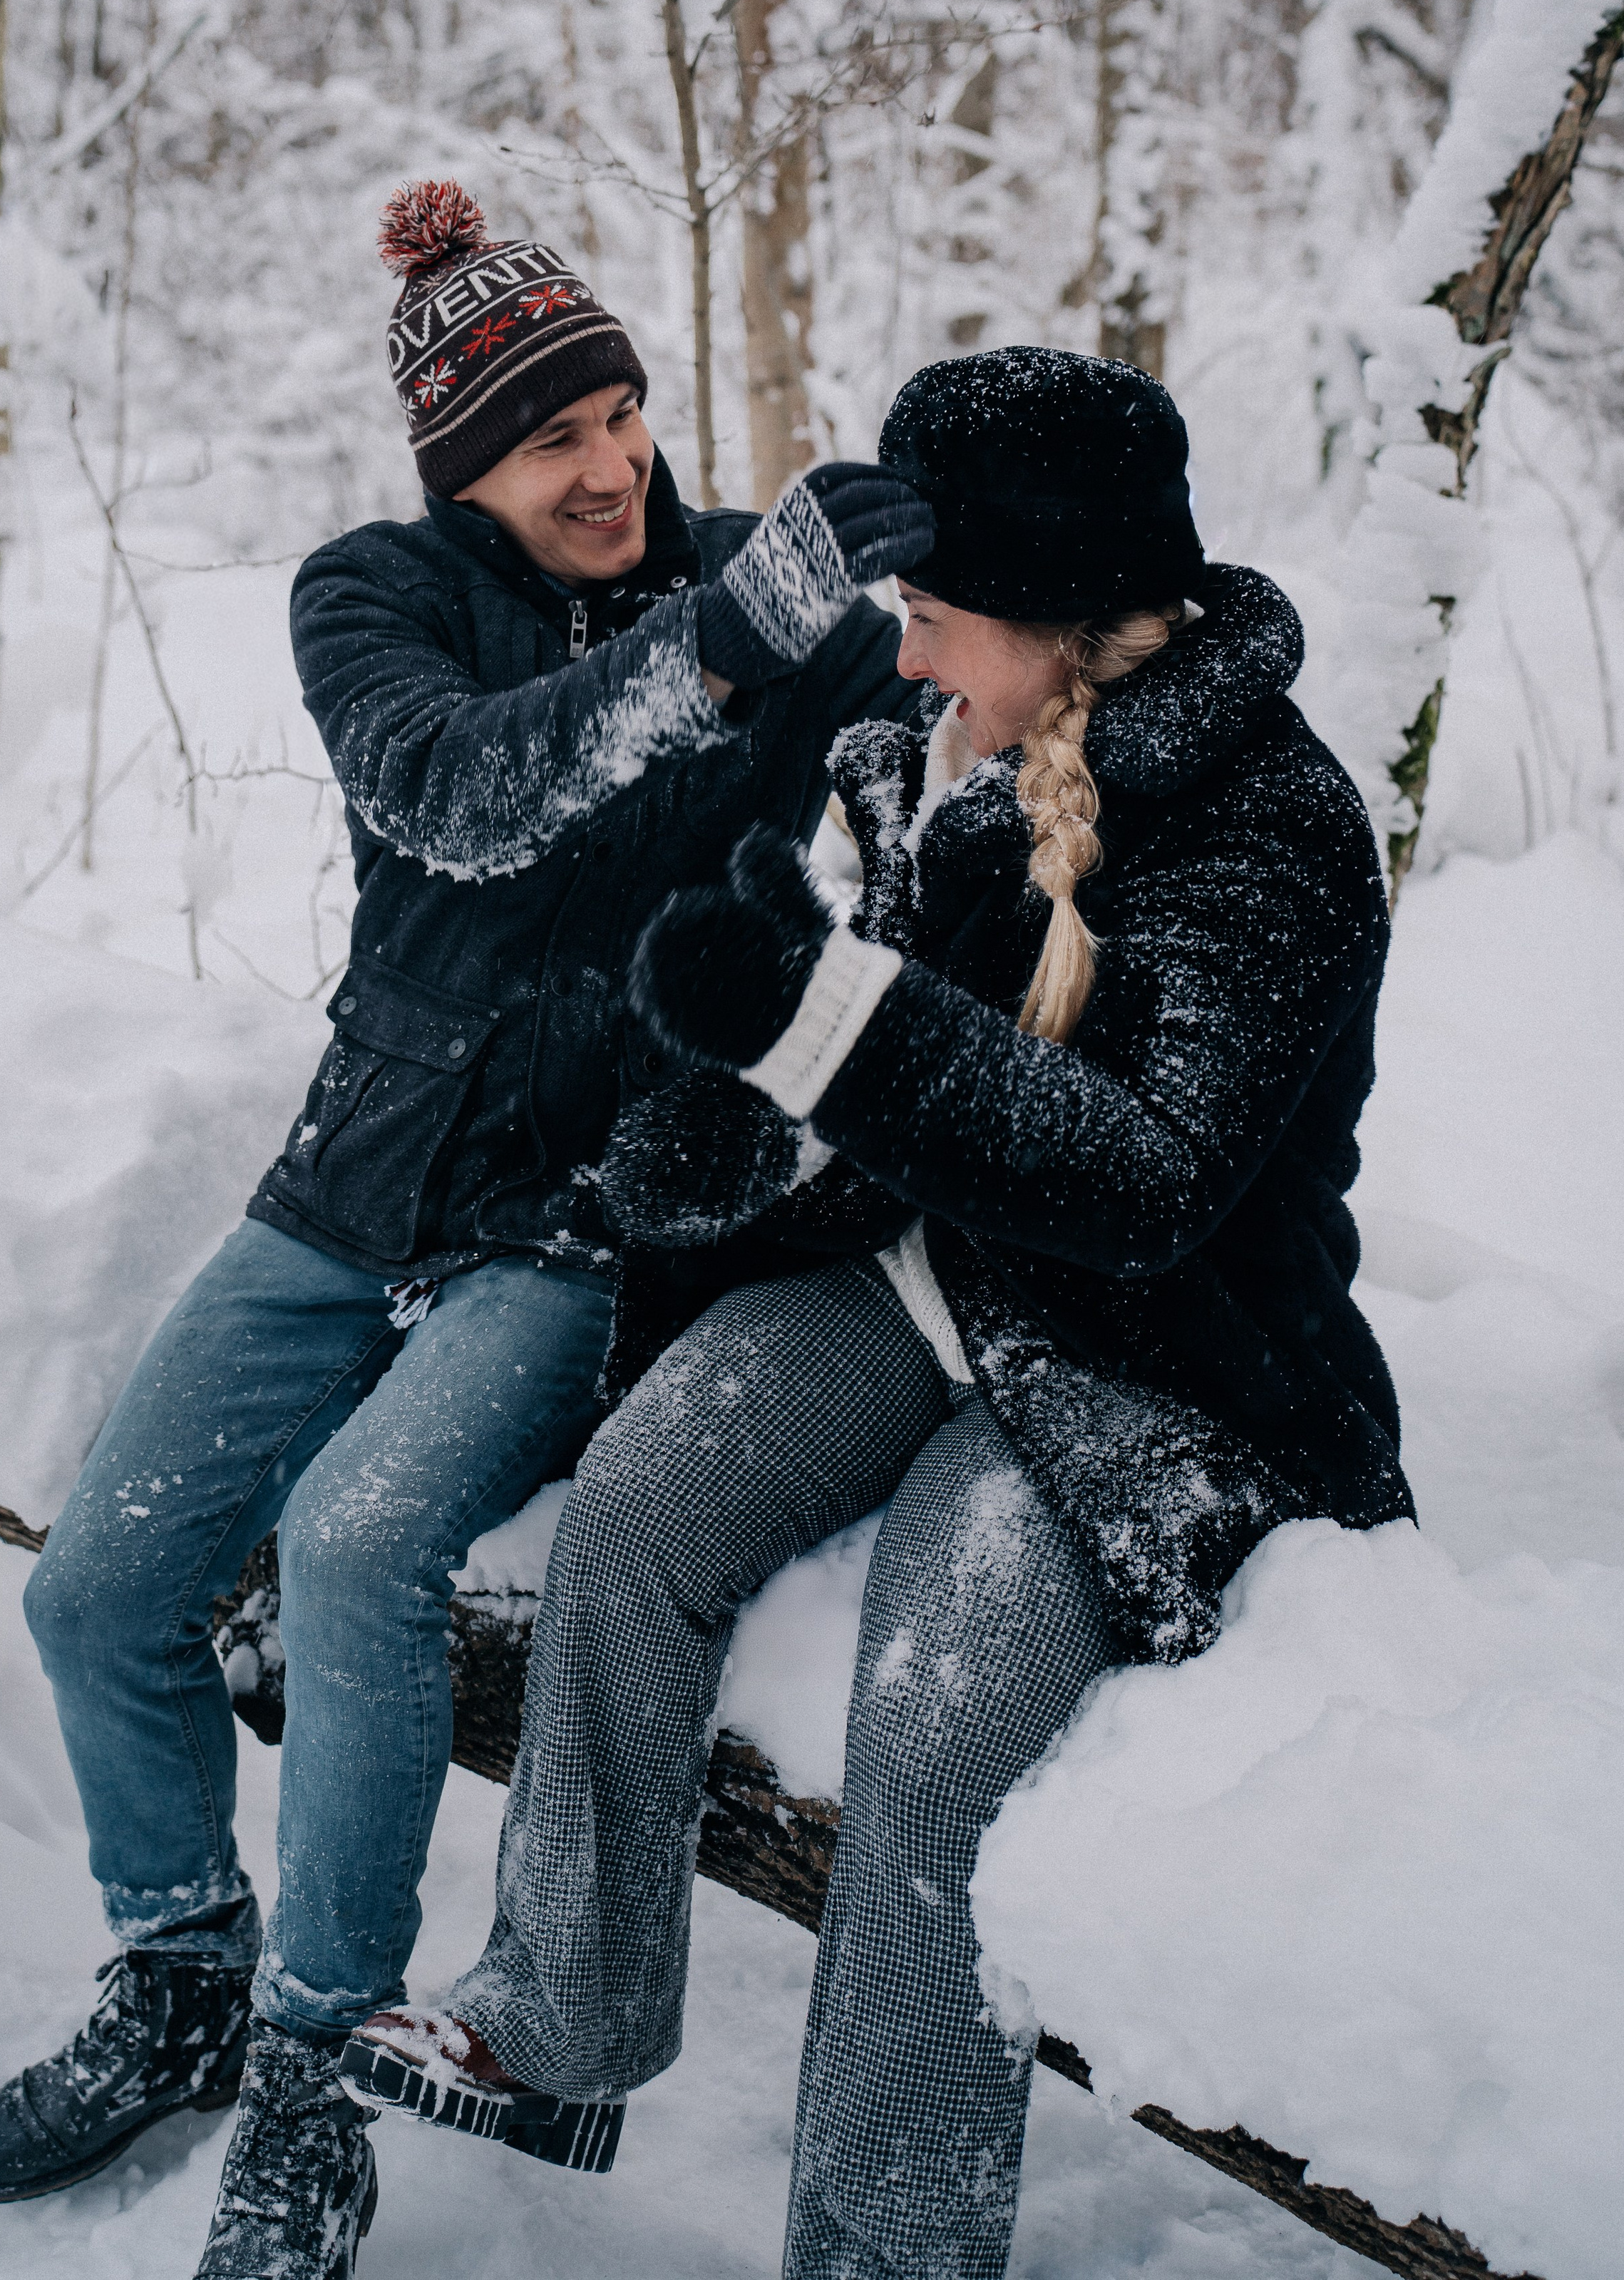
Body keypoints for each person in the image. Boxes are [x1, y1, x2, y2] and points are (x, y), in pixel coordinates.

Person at [336, 346, 1417, 2280]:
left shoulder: (1272, 826)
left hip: (1144, 1366)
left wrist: (825, 1020)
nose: (902, 661)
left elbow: (1149, 1183)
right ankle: (565, 2018)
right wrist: (719, 1126)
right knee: (645, 1502)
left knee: (938, 1708)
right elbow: (879, 1086)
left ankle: (884, 2245)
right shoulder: (938, 752)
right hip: (924, 1274)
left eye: (931, 622)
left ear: (1064, 624)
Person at [0, 179, 932, 2279]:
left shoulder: (775, 586)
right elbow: (472, 797)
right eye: (554, 438)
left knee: (363, 1538)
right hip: (353, 1178)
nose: (613, 465)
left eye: (626, 414)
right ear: (462, 466)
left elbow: (961, 713)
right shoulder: (369, 597)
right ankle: (183, 1970)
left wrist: (977, 586)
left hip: (578, 1224)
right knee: (101, 1591)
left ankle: (316, 2067)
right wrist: (735, 637)